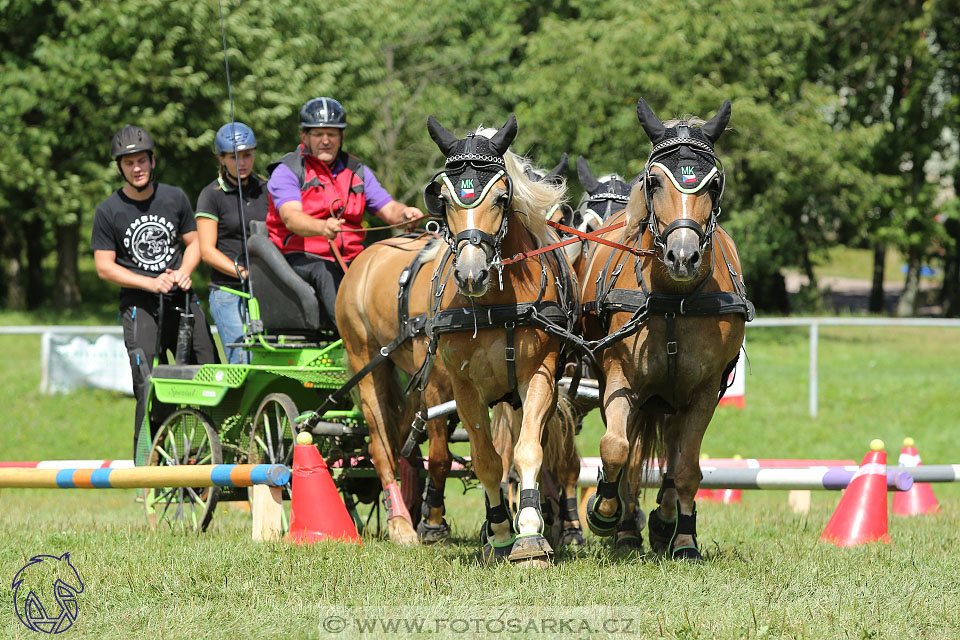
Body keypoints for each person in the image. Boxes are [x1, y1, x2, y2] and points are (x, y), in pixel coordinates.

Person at [91, 124, 219, 456]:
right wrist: (150, 282)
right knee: (147, 382)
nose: (137, 168)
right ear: (120, 167)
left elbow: (194, 244)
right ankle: (147, 463)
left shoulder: (174, 197)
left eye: (142, 161)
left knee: (209, 372)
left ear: (153, 160)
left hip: (181, 298)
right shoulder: (108, 210)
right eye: (129, 162)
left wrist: (184, 272)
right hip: (140, 304)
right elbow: (104, 266)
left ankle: (215, 452)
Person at [265, 96, 424, 328]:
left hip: (352, 258)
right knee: (325, 271)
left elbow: (388, 208)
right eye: (318, 134)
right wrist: (322, 227)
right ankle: (351, 336)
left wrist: (405, 214)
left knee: (390, 258)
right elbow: (291, 218)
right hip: (302, 257)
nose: (326, 141)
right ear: (304, 137)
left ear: (341, 137)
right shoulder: (287, 171)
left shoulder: (356, 170)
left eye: (333, 134)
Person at [196, 122, 269, 363]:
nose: (242, 162)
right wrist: (243, 273)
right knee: (243, 359)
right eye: (234, 157)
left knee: (268, 356)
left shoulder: (266, 190)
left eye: (247, 155)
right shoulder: (212, 195)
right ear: (222, 159)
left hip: (264, 290)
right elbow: (207, 251)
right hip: (228, 292)